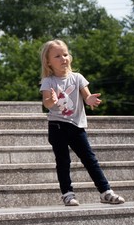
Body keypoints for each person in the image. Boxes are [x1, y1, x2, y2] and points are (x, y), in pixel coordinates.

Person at [40, 39, 126, 207]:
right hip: (57, 126)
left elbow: (86, 97)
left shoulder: (77, 78)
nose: (63, 58)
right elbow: (47, 104)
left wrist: (90, 99)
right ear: (48, 62)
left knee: (90, 159)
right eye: (57, 56)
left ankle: (105, 192)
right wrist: (52, 100)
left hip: (77, 126)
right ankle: (67, 194)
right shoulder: (48, 82)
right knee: (63, 161)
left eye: (65, 54)